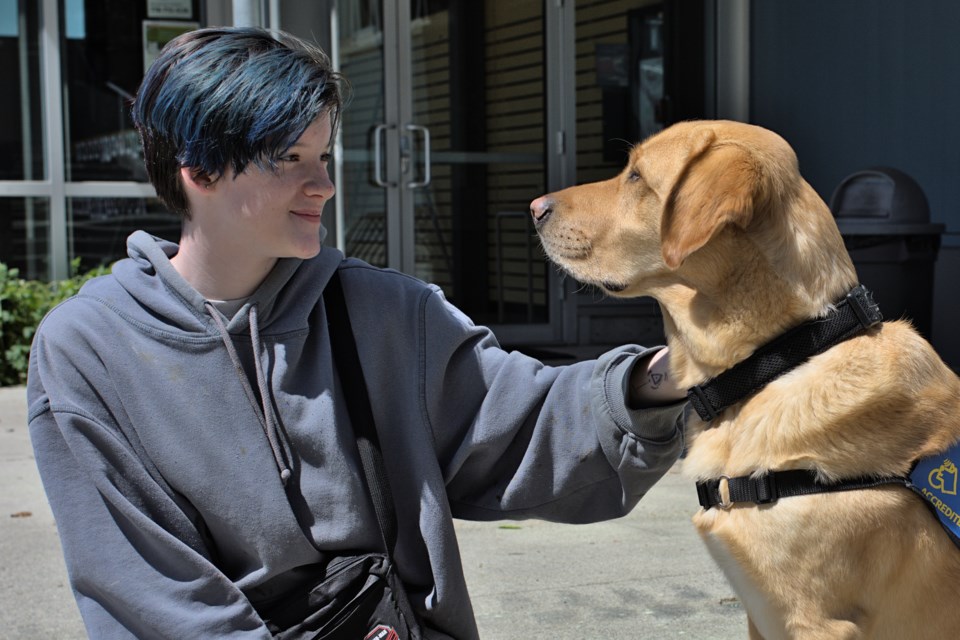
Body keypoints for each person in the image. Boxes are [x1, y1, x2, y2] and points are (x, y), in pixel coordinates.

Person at [27, 26, 688, 639]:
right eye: (290, 158)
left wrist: (664, 378)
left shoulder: (379, 310)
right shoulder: (89, 352)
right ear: (197, 171)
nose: (324, 185)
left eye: (324, 155)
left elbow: (525, 424)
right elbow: (151, 596)